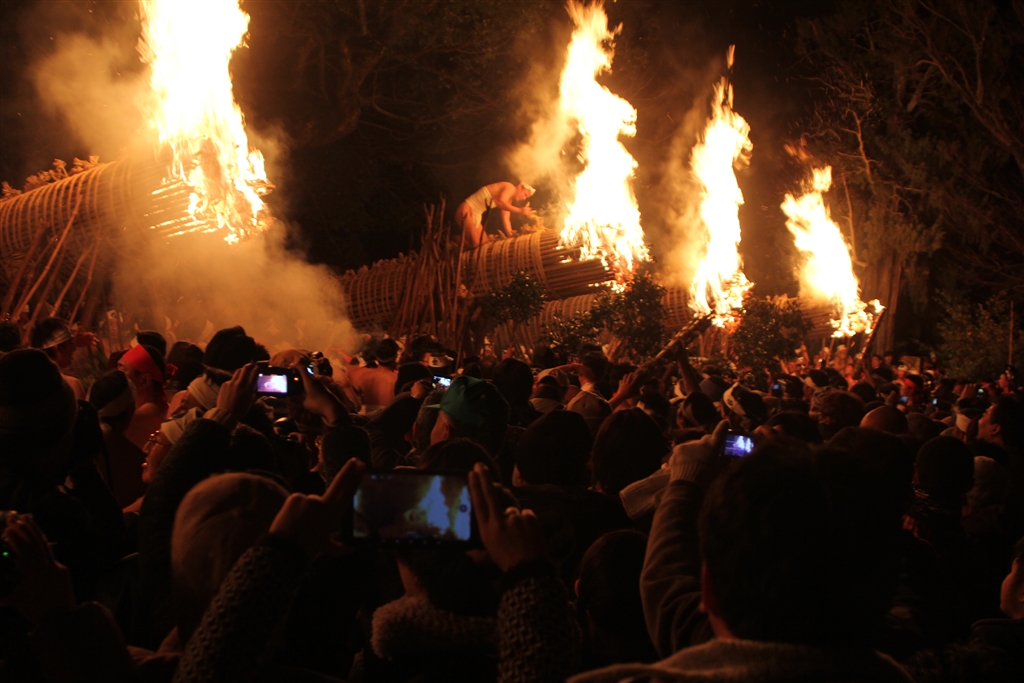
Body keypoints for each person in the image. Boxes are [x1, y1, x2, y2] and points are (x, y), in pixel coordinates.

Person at [118, 343, 169, 449]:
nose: (113, 377)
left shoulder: (134, 419)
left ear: (144, 380)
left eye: (121, 372)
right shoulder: (165, 408)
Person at [454, 181, 535, 248]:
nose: (524, 198)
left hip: (476, 215)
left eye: (526, 197)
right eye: (525, 194)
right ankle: (453, 238)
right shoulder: (510, 187)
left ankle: (457, 244)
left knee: (484, 244)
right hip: (466, 210)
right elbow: (500, 202)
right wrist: (520, 210)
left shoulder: (508, 200)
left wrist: (512, 237)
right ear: (520, 187)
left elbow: (506, 219)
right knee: (476, 244)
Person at [30, 317, 94, 400]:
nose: (74, 348)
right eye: (70, 343)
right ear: (56, 348)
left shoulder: (29, 381)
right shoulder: (70, 385)